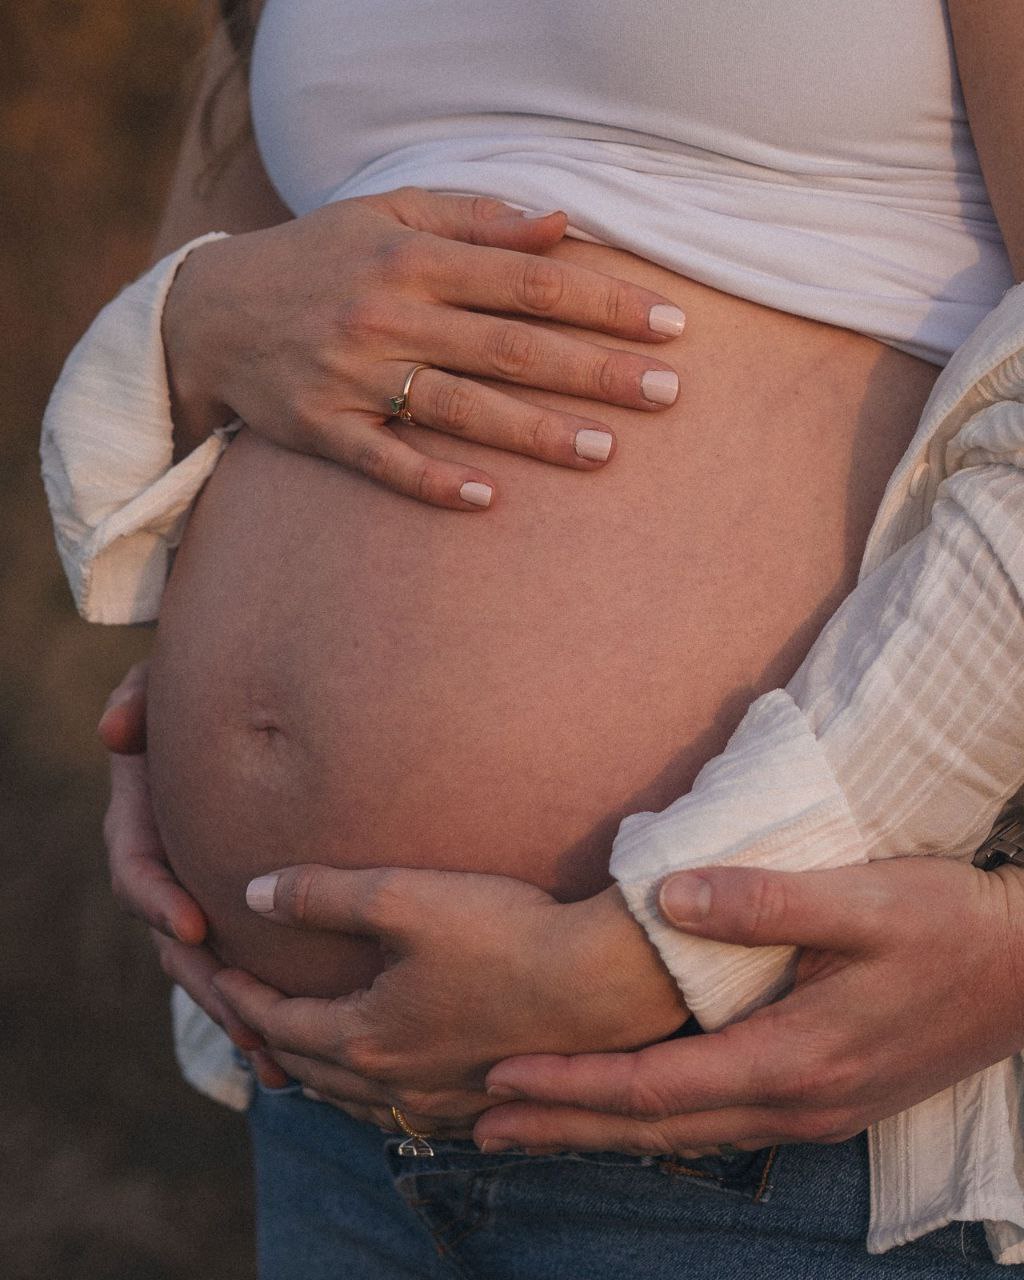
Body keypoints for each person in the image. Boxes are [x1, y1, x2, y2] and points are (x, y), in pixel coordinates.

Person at [43, 0, 1024, 1273]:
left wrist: (680, 945)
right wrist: (189, 326)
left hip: (763, 1118)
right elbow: (219, 312)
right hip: (326, 1106)